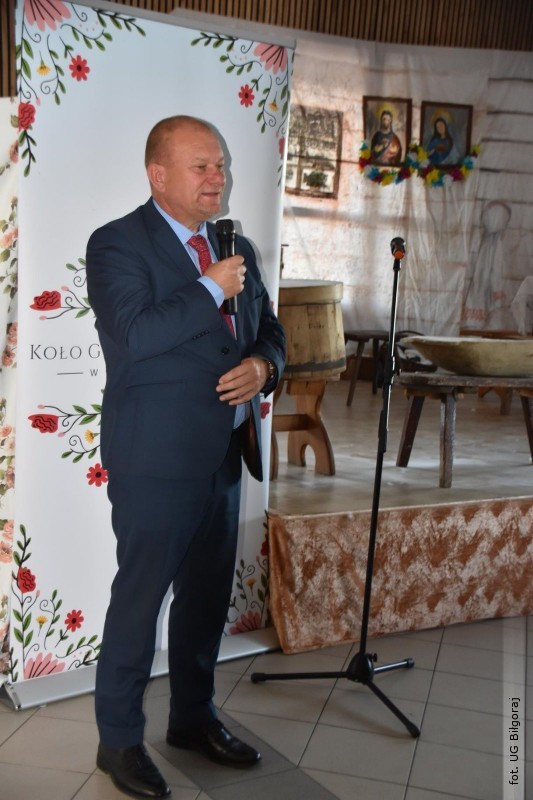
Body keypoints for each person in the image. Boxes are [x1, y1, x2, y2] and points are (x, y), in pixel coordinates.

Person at [86, 115, 286, 799]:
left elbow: (270, 330)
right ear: (158, 174)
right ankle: (117, 742)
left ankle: (192, 720)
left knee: (204, 600)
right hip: (155, 457)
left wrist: (263, 366)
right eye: (201, 166)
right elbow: (134, 335)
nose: (217, 177)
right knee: (140, 601)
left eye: (220, 165)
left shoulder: (234, 247)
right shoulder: (117, 243)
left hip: (223, 453)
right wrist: (208, 288)